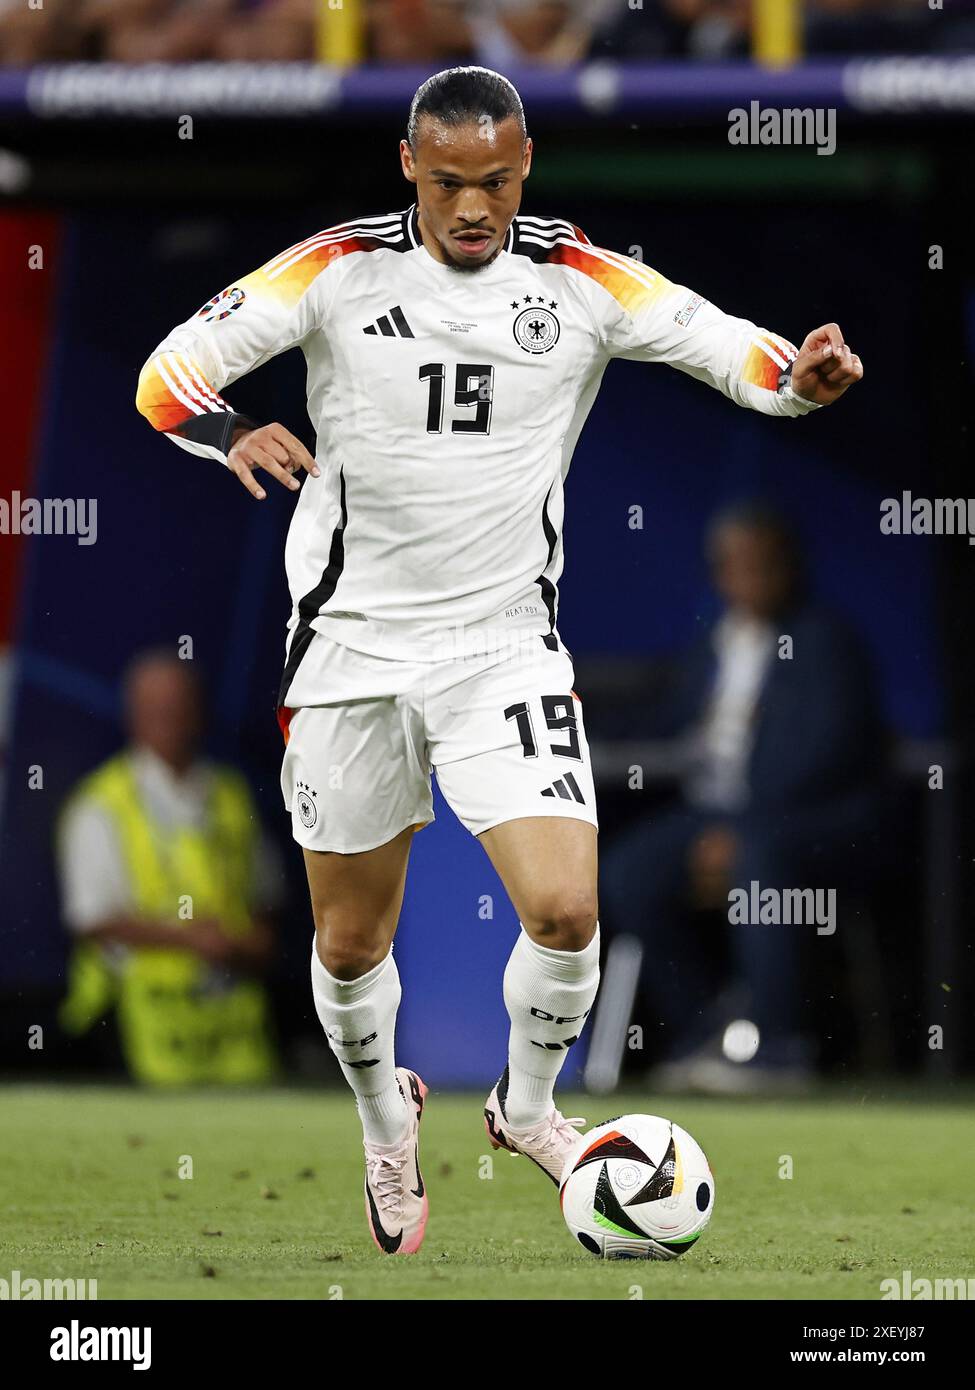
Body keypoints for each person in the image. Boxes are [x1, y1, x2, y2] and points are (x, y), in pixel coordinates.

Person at [135, 66, 862, 1253]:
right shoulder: (334, 267)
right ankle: (386, 1121)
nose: (476, 207)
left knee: (569, 908)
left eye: (499, 181)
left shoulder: (576, 276)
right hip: (350, 651)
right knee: (348, 943)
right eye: (452, 183)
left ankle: (527, 1111)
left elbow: (723, 342)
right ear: (411, 168)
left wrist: (798, 380)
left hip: (501, 649)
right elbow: (166, 375)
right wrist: (231, 432)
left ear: (526, 168)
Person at [598, 505, 884, 1092]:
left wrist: (739, 829)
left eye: (765, 564)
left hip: (809, 820)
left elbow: (826, 758)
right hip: (711, 813)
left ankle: (779, 1048)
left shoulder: (825, 640)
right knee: (626, 872)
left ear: (790, 566)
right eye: (737, 566)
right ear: (720, 573)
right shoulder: (713, 638)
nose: (752, 577)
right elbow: (674, 723)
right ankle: (705, 1035)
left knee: (758, 857)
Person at [56, 650, 281, 1086]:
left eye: (180, 706)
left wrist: (247, 943)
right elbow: (91, 918)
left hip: (233, 1028)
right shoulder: (102, 803)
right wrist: (190, 938)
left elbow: (267, 901)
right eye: (156, 709)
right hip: (138, 1020)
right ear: (133, 715)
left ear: (199, 712)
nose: (170, 719)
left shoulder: (230, 795)